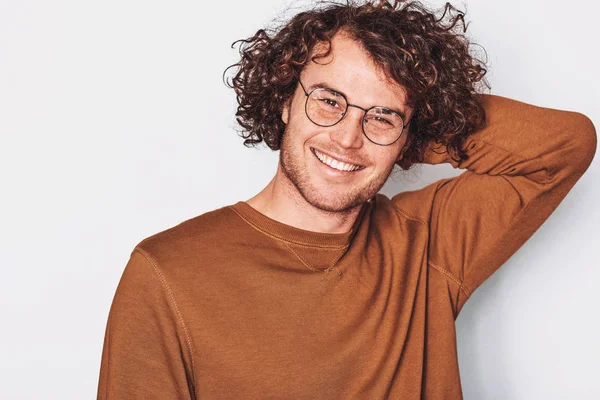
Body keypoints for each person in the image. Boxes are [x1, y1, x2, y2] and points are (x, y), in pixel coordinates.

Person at [97, 1, 596, 399]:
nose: (347, 139)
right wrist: (385, 122)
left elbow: (564, 145)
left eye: (380, 116)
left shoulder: (429, 243)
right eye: (329, 101)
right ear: (284, 100)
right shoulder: (166, 271)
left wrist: (411, 128)